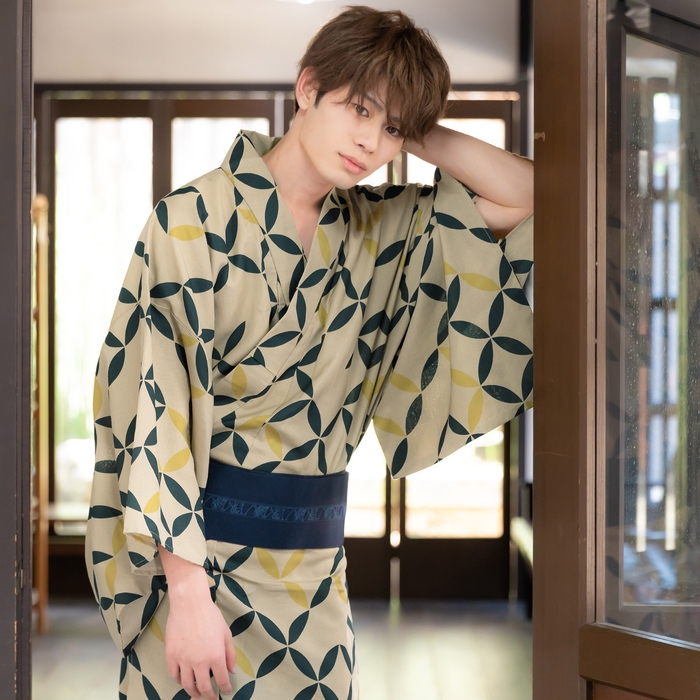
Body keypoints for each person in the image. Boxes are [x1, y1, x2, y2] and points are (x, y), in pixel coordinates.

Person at [86, 6, 534, 700]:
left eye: (391, 130)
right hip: (196, 570)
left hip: (312, 577)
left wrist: (417, 123)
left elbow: (525, 197)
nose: (370, 142)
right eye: (359, 108)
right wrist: (189, 596)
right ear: (307, 87)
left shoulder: (377, 229)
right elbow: (154, 410)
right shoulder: (189, 221)